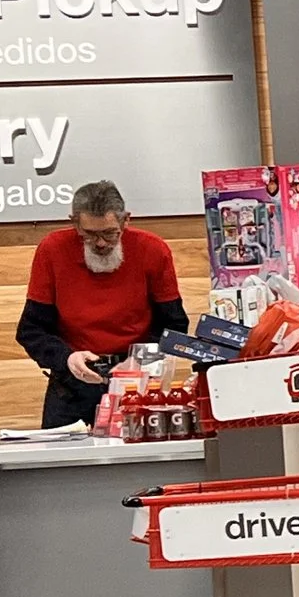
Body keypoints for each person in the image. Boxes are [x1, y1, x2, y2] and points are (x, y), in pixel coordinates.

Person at [14, 180, 188, 430]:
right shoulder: (52, 250)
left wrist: (140, 361)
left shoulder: (153, 250)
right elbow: (31, 330)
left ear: (126, 221)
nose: (101, 244)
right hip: (72, 383)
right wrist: (66, 358)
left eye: (109, 233)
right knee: (62, 466)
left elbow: (174, 323)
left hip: (137, 380)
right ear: (75, 223)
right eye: (90, 234)